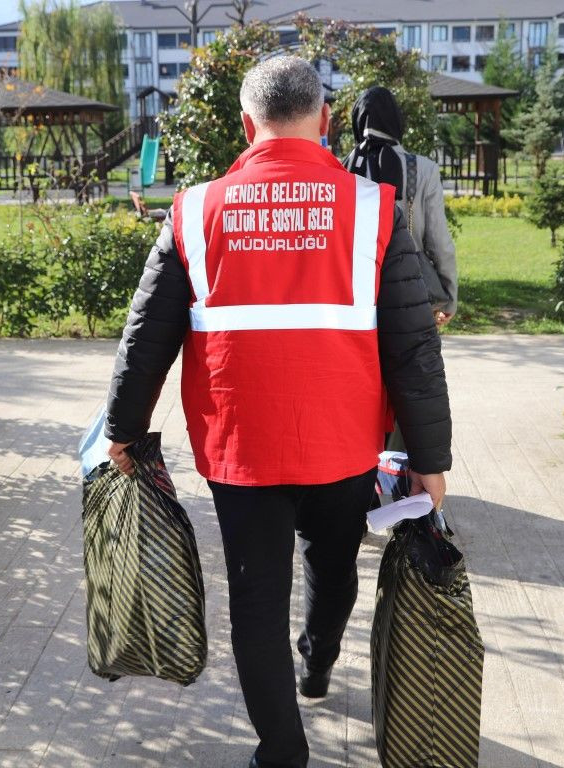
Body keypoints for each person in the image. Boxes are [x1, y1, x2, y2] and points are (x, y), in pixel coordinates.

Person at [103, 56, 452, 768]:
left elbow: (147, 336)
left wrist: (124, 430)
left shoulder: (195, 210)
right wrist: (430, 462)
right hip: (343, 446)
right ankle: (319, 660)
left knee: (254, 602)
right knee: (334, 569)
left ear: (244, 123)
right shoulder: (372, 209)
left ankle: (282, 753)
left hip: (242, 449)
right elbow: (414, 347)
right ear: (325, 121)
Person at [343, 86, 458, 326]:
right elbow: (439, 241)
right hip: (410, 295)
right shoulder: (424, 170)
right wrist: (449, 296)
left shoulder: (341, 170)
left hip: (351, 297)